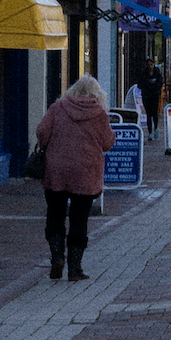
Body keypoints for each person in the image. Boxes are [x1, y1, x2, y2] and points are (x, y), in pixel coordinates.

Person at [35, 75, 117, 282]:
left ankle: (56, 257)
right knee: (79, 219)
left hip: (57, 169)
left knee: (55, 214)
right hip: (86, 171)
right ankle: (74, 268)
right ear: (97, 94)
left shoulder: (58, 107)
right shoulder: (99, 114)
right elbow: (107, 143)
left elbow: (41, 132)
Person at [141, 62, 165, 140]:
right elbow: (141, 83)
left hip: (154, 96)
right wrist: (147, 86)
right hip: (146, 96)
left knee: (154, 113)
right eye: (148, 64)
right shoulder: (144, 74)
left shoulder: (157, 73)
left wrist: (154, 87)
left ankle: (156, 128)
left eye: (151, 64)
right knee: (148, 114)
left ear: (154, 65)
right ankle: (150, 132)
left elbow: (160, 83)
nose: (150, 66)